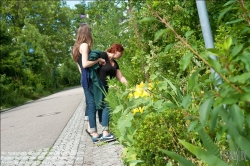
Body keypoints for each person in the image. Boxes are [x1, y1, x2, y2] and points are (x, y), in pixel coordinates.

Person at [72, 23, 113, 143]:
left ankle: (95, 135)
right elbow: (85, 64)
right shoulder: (84, 45)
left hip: (84, 80)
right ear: (87, 33)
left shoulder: (75, 48)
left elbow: (80, 68)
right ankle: (106, 133)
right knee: (105, 103)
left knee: (91, 106)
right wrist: (98, 60)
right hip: (91, 79)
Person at [96, 43, 128, 141]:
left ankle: (104, 131)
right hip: (98, 86)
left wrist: (129, 86)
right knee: (104, 106)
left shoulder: (115, 63)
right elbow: (91, 66)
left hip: (106, 88)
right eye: (121, 53)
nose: (121, 55)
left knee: (104, 107)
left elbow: (120, 77)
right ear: (116, 50)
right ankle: (104, 132)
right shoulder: (102, 56)